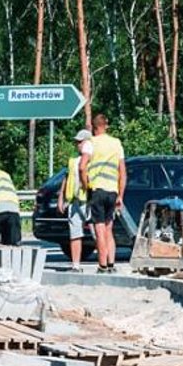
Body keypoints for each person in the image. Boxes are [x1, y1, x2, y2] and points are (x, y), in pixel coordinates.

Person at [80, 114, 126, 273]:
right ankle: (112, 263)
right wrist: (121, 195)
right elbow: (123, 172)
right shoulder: (116, 143)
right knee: (109, 229)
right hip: (112, 191)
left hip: (97, 190)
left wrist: (86, 186)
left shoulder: (90, 143)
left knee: (99, 230)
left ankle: (102, 265)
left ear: (93, 127)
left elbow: (82, 167)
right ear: (106, 125)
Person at [57, 129, 92, 272]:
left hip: (89, 199)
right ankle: (76, 265)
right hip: (74, 200)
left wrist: (88, 188)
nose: (77, 145)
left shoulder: (93, 157)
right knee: (75, 233)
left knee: (97, 232)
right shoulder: (72, 159)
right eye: (77, 142)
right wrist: (61, 198)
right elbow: (66, 178)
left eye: (80, 142)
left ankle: (106, 263)